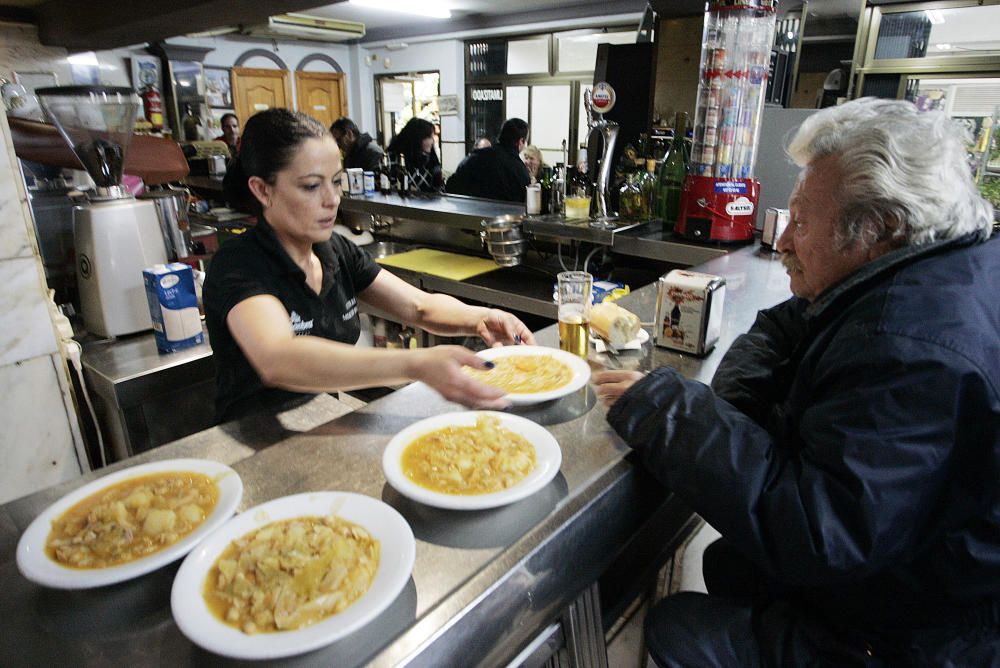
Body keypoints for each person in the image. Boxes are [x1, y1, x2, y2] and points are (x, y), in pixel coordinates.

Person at [593, 97, 1000, 665]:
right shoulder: (927, 270)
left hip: (910, 636)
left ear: (876, 229)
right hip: (905, 582)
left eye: (802, 223)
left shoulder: (913, 350)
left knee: (679, 628)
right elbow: (781, 325)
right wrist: (731, 411)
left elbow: (817, 531)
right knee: (727, 564)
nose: (782, 242)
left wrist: (671, 408)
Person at [204, 109, 534, 423]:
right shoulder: (240, 264)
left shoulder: (334, 252)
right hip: (249, 442)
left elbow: (419, 307)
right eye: (311, 186)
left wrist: (480, 318)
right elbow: (279, 358)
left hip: (318, 424)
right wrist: (415, 364)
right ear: (262, 190)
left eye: (336, 181)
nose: (332, 199)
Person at [446, 118, 530, 202]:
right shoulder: (520, 171)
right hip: (504, 214)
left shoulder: (474, 157)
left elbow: (451, 186)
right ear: (521, 141)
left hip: (468, 212)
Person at [386, 117, 442, 193]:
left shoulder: (431, 160)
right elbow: (380, 184)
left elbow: (440, 189)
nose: (432, 141)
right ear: (418, 138)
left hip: (428, 203)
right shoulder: (391, 160)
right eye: (429, 137)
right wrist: (406, 188)